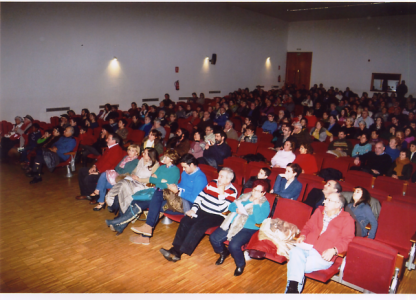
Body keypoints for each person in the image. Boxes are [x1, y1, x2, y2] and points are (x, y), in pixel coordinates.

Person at [159, 168, 237, 262]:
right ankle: (175, 249)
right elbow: (200, 197)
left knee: (198, 226)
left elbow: (223, 210)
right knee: (185, 221)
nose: (218, 178)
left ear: (229, 180)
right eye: (219, 175)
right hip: (202, 210)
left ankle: (178, 252)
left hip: (217, 215)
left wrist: (221, 194)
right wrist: (193, 209)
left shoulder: (232, 191)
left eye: (221, 176)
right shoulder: (212, 182)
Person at [285, 193, 354, 294]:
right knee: (295, 252)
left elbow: (348, 240)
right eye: (326, 199)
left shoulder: (347, 220)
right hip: (306, 247)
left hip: (323, 255)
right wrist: (303, 235)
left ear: (338, 205)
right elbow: (308, 226)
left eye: (329, 200)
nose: (324, 202)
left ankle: (292, 289)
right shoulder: (319, 211)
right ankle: (292, 290)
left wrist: (334, 250)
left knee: (294, 264)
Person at [209, 180, 270, 276]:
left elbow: (258, 221)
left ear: (264, 193)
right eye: (254, 189)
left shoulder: (265, 204)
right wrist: (236, 209)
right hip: (233, 222)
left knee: (233, 245)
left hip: (248, 228)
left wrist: (256, 205)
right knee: (214, 238)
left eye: (259, 191)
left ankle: (240, 265)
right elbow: (232, 205)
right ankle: (223, 253)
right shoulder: (245, 196)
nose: (255, 193)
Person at [128, 150, 181, 245]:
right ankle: (146, 235)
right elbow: (152, 178)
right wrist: (162, 180)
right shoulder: (162, 167)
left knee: (157, 197)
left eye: (165, 157)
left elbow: (168, 185)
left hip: (168, 194)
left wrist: (158, 180)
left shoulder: (175, 170)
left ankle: (146, 230)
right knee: (155, 201)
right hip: (159, 191)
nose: (163, 159)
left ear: (172, 159)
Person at [89, 144, 140, 211]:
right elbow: (116, 167)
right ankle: (101, 201)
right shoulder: (125, 157)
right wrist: (119, 170)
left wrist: (119, 170)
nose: (129, 152)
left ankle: (99, 196)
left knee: (103, 178)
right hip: (117, 176)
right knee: (103, 180)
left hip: (123, 179)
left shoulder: (136, 161)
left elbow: (126, 172)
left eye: (132, 151)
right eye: (129, 150)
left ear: (136, 152)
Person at [76, 133, 125, 200]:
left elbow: (109, 164)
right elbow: (101, 159)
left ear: (114, 141)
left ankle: (96, 198)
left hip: (107, 173)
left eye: (109, 139)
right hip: (101, 170)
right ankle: (86, 194)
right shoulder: (110, 148)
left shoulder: (117, 150)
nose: (106, 140)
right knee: (81, 171)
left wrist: (98, 172)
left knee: (88, 178)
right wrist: (94, 166)